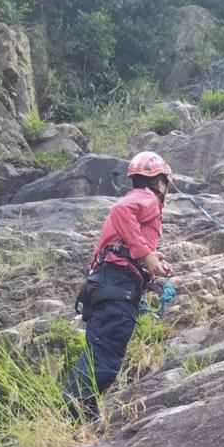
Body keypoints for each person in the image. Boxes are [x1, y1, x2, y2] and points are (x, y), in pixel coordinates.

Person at [64, 151, 174, 419]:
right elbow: (120, 211)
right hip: (116, 288)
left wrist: (149, 259)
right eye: (165, 184)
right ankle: (72, 421)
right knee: (102, 362)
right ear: (160, 183)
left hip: (111, 285)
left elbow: (121, 244)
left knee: (99, 356)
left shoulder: (137, 199)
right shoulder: (146, 198)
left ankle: (77, 419)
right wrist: (146, 254)